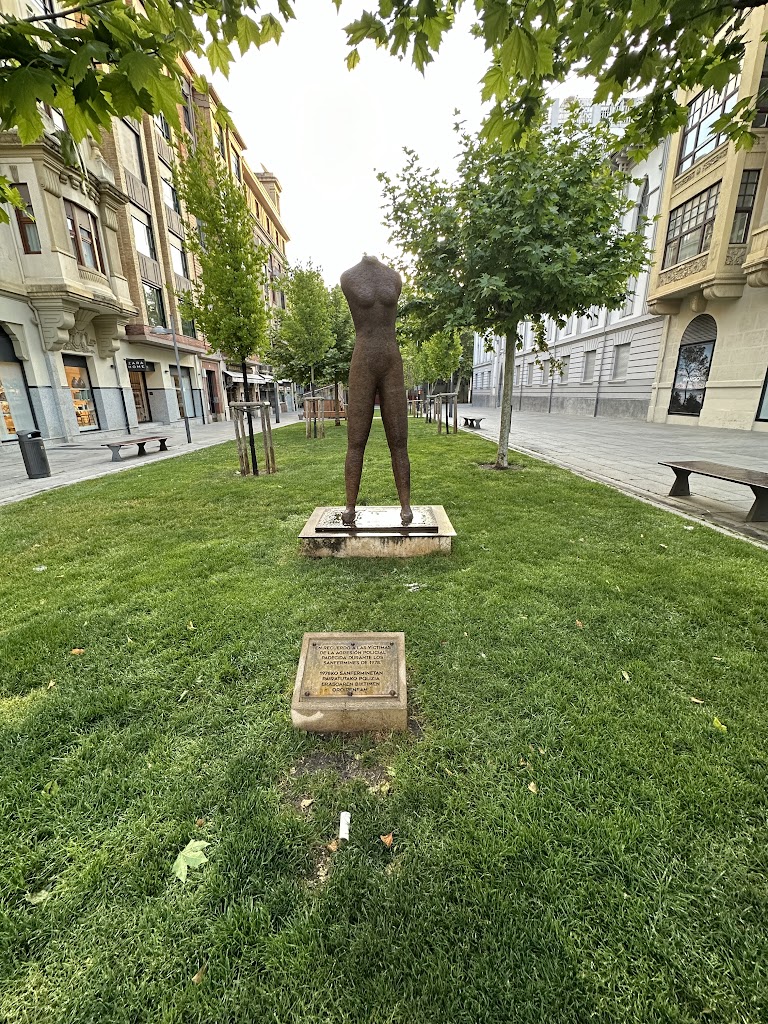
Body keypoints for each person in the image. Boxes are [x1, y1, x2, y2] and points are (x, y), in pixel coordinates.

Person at [340, 255, 412, 526]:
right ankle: (350, 505)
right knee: (356, 438)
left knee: (399, 439)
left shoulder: (394, 277)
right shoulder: (348, 277)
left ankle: (406, 505)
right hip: (364, 360)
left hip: (391, 359)